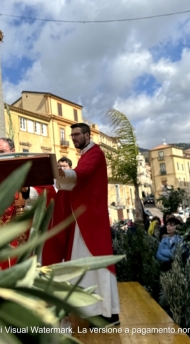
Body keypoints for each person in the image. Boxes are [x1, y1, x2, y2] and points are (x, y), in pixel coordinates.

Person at [43, 123, 120, 325]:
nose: (73, 138)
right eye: (72, 135)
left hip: (90, 220)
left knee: (96, 264)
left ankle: (108, 313)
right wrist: (62, 175)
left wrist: (61, 173)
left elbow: (83, 173)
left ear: (88, 134)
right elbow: (76, 180)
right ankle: (94, 310)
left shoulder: (94, 152)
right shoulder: (86, 153)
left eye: (77, 134)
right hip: (84, 219)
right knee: (85, 264)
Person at [0, 138, 56, 268]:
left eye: (1, 152)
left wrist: (26, 191)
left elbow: (47, 193)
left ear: (12, 151)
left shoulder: (27, 168)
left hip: (22, 232)